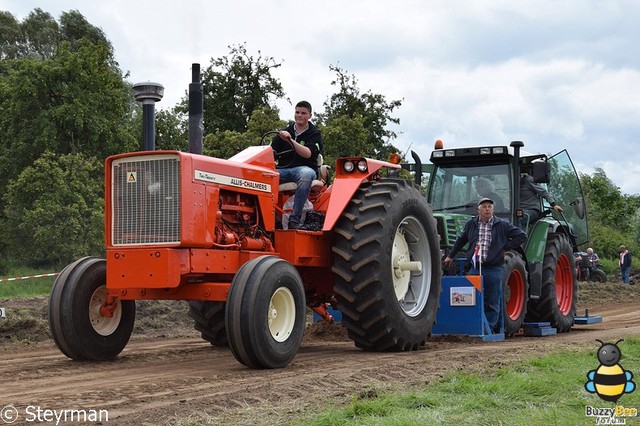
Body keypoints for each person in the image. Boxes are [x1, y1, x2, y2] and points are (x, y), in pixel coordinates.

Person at [443, 197, 527, 332]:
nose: (487, 209)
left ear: (493, 210)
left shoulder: (502, 225)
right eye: (484, 207)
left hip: (493, 267)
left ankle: (488, 328)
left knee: (492, 300)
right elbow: (461, 240)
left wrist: (505, 248)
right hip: (475, 267)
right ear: (478, 210)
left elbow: (521, 236)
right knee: (469, 296)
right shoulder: (471, 224)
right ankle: (472, 325)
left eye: (489, 207)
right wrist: (450, 256)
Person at [271, 101, 323, 229]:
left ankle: (295, 219)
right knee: (263, 175)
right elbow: (271, 153)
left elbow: (308, 154)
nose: (299, 115)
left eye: (303, 113)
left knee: (306, 174)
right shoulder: (284, 132)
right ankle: (272, 218)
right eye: (297, 112)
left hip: (304, 169)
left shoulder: (314, 134)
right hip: (283, 170)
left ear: (310, 115)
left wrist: (290, 141)